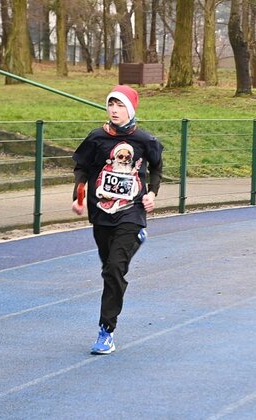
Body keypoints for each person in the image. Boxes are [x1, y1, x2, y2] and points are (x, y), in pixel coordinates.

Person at [71, 84, 164, 355]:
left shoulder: (144, 140)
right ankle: (136, 239)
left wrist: (152, 193)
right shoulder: (96, 137)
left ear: (131, 109)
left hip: (131, 211)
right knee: (108, 269)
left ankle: (106, 331)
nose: (114, 110)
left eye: (120, 105)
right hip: (101, 212)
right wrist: (79, 195)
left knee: (114, 269)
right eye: (111, 104)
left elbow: (157, 167)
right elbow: (81, 167)